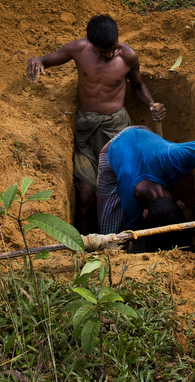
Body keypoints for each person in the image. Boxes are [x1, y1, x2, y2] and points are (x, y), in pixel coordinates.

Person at [27, 14, 165, 234]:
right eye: (104, 51)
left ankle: (125, 236)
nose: (110, 54)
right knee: (85, 196)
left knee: (123, 189)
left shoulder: (128, 56)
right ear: (91, 44)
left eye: (113, 48)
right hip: (87, 132)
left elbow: (138, 87)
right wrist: (37, 60)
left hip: (117, 130)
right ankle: (83, 240)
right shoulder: (78, 50)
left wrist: (151, 104)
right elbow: (46, 59)